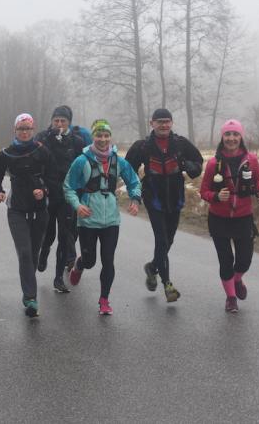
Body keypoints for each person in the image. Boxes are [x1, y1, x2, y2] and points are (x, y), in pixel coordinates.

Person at [125, 108, 203, 302]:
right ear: (152, 123)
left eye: (167, 121)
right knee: (161, 239)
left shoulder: (180, 143)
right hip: (154, 198)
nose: (164, 125)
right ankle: (167, 284)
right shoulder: (142, 146)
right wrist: (134, 192)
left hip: (175, 197)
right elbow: (127, 170)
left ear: (172, 123)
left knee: (168, 240)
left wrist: (188, 165)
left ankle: (152, 267)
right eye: (160, 122)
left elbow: (198, 162)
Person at [65, 119, 141, 315]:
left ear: (110, 137)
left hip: (111, 221)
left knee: (108, 261)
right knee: (90, 261)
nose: (103, 139)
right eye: (99, 135)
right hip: (88, 219)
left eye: (106, 135)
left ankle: (104, 300)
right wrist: (77, 205)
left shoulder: (118, 160)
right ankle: (79, 264)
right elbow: (68, 187)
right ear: (93, 136)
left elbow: (134, 181)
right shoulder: (81, 161)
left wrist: (135, 199)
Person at [0, 113, 56, 318]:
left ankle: (29, 283)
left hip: (39, 210)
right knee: (25, 253)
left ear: (33, 130)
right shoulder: (6, 153)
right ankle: (30, 297)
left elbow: (54, 178)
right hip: (17, 209)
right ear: (15, 131)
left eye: (28, 128)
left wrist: (44, 190)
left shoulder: (42, 151)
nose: (25, 132)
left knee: (33, 255)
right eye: (21, 129)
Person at [199, 119, 259, 312]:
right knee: (225, 260)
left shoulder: (251, 160)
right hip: (218, 218)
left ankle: (237, 280)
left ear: (240, 137)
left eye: (235, 134)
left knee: (244, 260)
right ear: (222, 137)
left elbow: (258, 180)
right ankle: (230, 298)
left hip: (244, 217)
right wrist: (216, 196)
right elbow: (204, 191)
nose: (231, 138)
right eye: (228, 134)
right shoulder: (213, 163)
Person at [34, 106, 85, 293]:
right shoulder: (42, 138)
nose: (59, 124)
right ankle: (44, 251)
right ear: (51, 121)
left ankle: (58, 279)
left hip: (68, 195)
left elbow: (84, 167)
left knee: (65, 236)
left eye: (63, 121)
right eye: (56, 120)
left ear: (69, 122)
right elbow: (34, 161)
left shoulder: (77, 142)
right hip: (47, 193)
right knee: (48, 235)